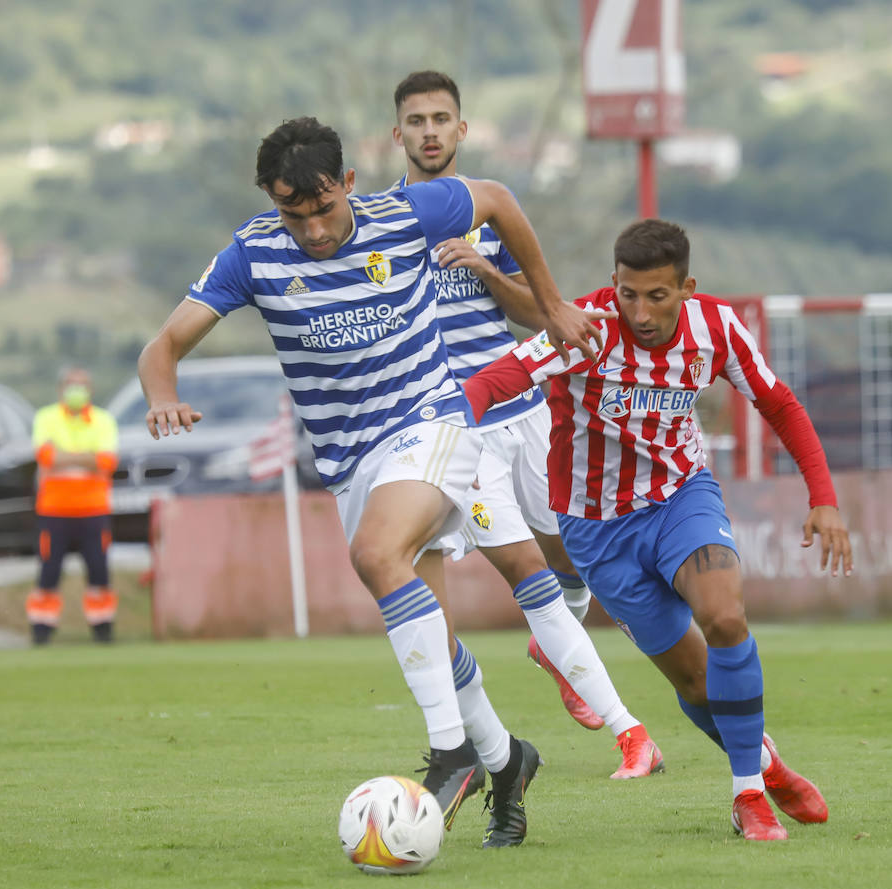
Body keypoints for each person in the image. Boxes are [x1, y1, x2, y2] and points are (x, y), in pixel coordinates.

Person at [136, 116, 605, 849]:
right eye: (295, 214)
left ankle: (450, 753)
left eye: (324, 208)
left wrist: (548, 304)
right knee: (433, 631)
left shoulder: (406, 213)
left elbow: (501, 201)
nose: (314, 229)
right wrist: (162, 396)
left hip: (435, 421)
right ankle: (506, 761)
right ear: (271, 200)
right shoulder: (253, 253)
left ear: (348, 183)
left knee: (377, 555)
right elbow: (163, 346)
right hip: (353, 462)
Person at [461, 219, 855, 841]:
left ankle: (746, 796)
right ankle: (768, 765)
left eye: (657, 296)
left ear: (687, 288)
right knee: (696, 680)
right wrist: (450, 426)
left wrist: (824, 497)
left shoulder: (717, 328)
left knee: (725, 618)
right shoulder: (584, 326)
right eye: (627, 293)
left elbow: (779, 402)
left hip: (680, 497)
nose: (639, 312)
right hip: (596, 529)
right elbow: (497, 379)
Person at [390, 70, 663, 779]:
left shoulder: (488, 214)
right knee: (531, 575)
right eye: (415, 120)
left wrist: (483, 266)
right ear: (398, 135)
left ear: (461, 130)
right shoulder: (383, 225)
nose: (428, 131)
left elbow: (535, 312)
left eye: (440, 118)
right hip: (459, 431)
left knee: (577, 561)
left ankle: (556, 648)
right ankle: (628, 732)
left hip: (529, 412)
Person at [25, 367, 120, 646]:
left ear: (90, 391)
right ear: (60, 389)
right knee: (48, 573)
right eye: (70, 385)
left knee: (99, 572)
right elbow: (44, 456)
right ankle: (41, 632)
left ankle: (103, 630)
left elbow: (106, 462)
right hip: (54, 510)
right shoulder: (46, 417)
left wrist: (63, 456)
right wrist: (86, 457)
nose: (76, 391)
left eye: (82, 386)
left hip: (93, 510)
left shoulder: (103, 420)